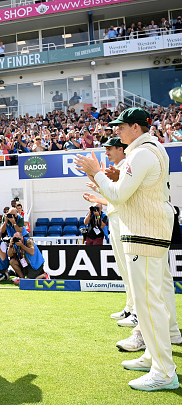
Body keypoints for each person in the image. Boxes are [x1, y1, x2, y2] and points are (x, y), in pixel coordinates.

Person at [74, 107, 181, 391]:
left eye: (121, 128)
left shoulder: (142, 152)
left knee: (148, 305)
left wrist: (97, 174)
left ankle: (164, 372)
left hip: (145, 233)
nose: (117, 133)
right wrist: (111, 176)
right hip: (148, 231)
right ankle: (153, 357)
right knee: (150, 302)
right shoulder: (148, 150)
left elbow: (119, 196)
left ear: (136, 127)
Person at [82, 137, 139, 333]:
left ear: (120, 149)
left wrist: (94, 174)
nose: (106, 153)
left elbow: (119, 195)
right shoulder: (120, 167)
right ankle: (130, 307)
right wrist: (96, 195)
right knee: (124, 268)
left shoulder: (125, 167)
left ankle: (136, 312)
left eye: (109, 149)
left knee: (130, 267)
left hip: (123, 219)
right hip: (114, 217)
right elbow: (112, 197)